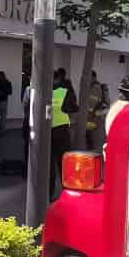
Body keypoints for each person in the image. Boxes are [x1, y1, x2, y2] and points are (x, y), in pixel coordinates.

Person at [49, 68, 79, 200]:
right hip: (62, 132)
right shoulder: (65, 91)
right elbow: (72, 107)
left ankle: (49, 194)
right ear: (58, 79)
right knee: (64, 164)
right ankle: (66, 192)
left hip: (47, 133)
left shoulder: (44, 92)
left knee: (49, 166)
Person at [86, 72, 109, 149]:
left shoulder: (96, 88)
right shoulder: (93, 87)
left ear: (93, 77)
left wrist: (91, 113)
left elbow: (94, 103)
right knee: (91, 136)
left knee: (92, 137)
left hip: (94, 116)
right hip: (94, 116)